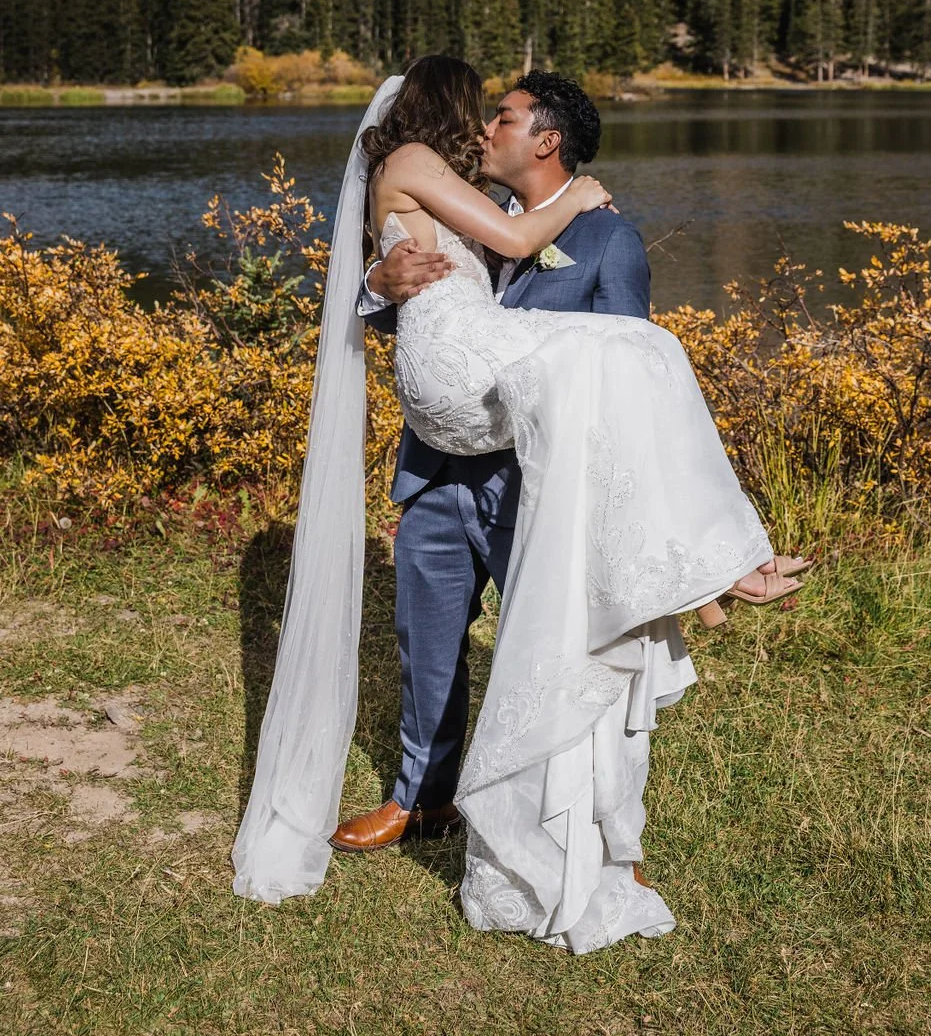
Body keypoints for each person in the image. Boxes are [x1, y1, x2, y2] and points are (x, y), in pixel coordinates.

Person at [232, 58, 802, 954]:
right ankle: (422, 797)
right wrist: (381, 280)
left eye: (504, 116)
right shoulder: (475, 205)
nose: (487, 126)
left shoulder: (608, 239)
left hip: (528, 485)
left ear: (546, 139)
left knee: (569, 642)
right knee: (424, 643)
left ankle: (605, 829)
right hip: (437, 469)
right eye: (485, 110)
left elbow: (623, 395)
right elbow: (409, 292)